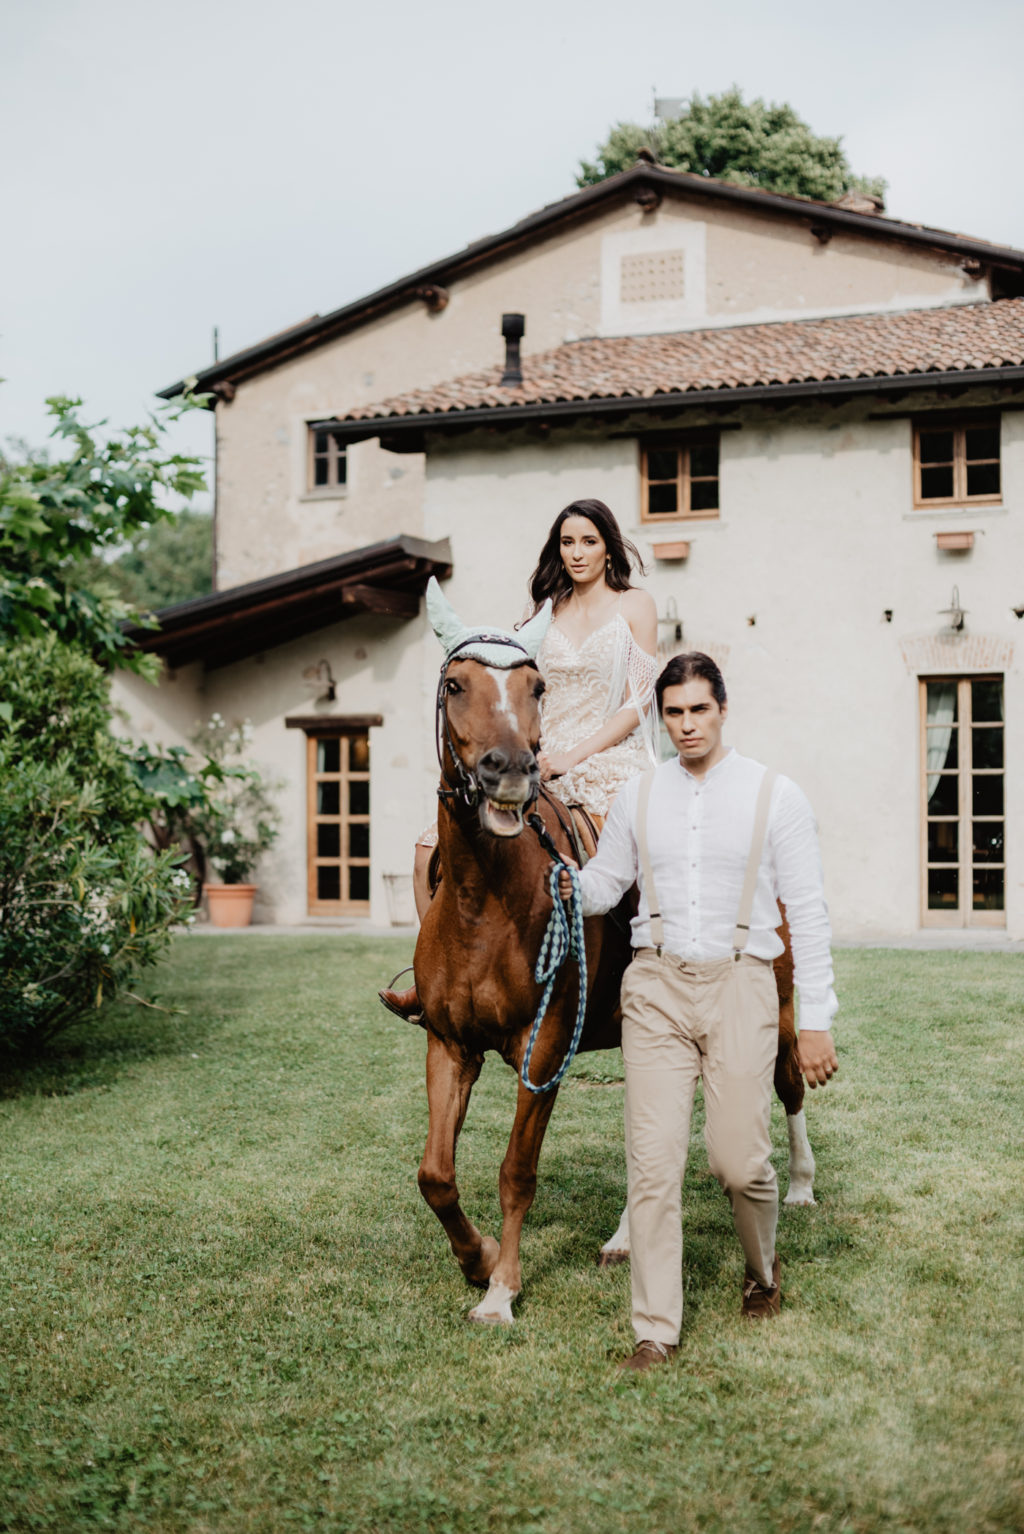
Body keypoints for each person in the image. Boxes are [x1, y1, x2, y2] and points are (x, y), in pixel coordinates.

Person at [557, 651, 838, 1372]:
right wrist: (557, 881)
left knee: (738, 1162)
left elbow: (807, 914)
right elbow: (604, 885)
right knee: (652, 1168)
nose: (686, 725)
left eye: (698, 710)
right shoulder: (639, 797)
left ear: (721, 709)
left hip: (742, 983)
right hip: (654, 987)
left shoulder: (776, 795)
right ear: (662, 718)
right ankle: (655, 1330)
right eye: (673, 713)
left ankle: (762, 1271)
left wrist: (815, 1019)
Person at [379, 498, 657, 1021]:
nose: (577, 553)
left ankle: (644, 978)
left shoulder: (635, 605)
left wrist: (572, 756)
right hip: (532, 757)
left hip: (604, 756)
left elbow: (640, 701)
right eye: (567, 542)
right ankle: (430, 982)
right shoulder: (540, 614)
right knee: (426, 851)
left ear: (608, 547)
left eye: (589, 541)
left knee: (627, 858)